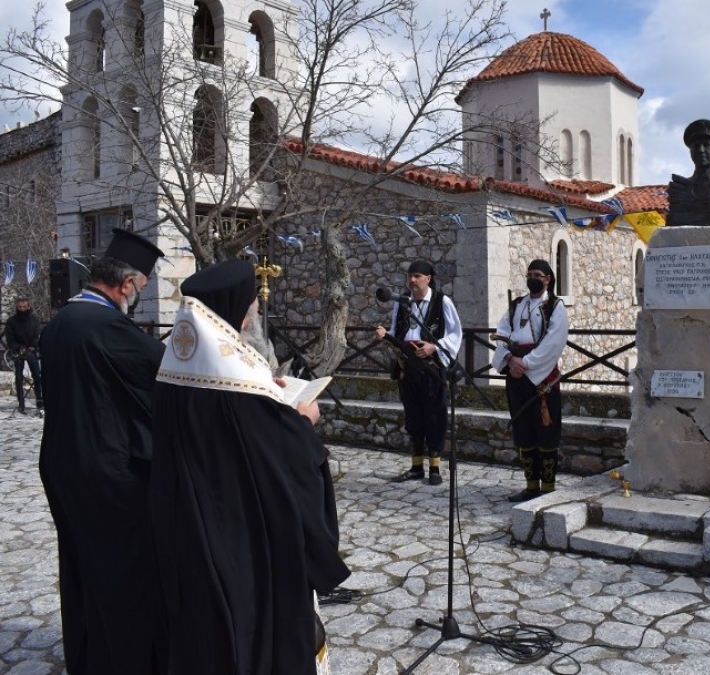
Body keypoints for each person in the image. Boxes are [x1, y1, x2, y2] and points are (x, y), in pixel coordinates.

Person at [151, 259, 351, 675]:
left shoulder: (175, 370)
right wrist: (302, 420)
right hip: (245, 531)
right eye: (251, 305)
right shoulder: (240, 387)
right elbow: (283, 458)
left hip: (187, 522)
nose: (255, 312)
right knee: (253, 624)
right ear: (234, 310)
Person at [38, 228, 166, 674]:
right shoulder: (108, 325)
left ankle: (90, 657)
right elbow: (165, 372)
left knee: (82, 568)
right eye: (141, 288)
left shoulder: (59, 322)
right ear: (126, 283)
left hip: (62, 464)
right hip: (108, 473)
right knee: (122, 573)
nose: (138, 297)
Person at [375, 260, 462, 486]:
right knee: (413, 416)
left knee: (434, 416)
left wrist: (434, 347)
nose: (412, 280)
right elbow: (397, 331)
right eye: (410, 276)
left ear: (428, 278)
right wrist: (386, 335)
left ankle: (434, 467)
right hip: (408, 368)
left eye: (417, 276)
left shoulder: (442, 302)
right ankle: (416, 466)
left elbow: (455, 333)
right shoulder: (402, 302)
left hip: (432, 369)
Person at [491, 259, 569, 502]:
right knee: (523, 429)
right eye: (529, 274)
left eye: (537, 274)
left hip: (542, 376)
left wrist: (527, 363)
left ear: (548, 279)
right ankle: (531, 486)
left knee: (545, 430)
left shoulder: (555, 306)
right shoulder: (516, 306)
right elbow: (501, 334)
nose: (532, 278)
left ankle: (547, 488)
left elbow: (555, 341)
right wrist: (509, 359)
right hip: (516, 374)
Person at [4, 296, 44, 414]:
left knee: (36, 375)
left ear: (28, 306)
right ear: (17, 307)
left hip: (31, 350)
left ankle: (39, 401)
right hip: (18, 351)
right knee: (19, 377)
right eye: (20, 307)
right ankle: (21, 403)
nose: (22, 309)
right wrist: (20, 348)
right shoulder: (11, 321)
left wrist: (31, 348)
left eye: (24, 307)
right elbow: (10, 339)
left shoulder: (34, 319)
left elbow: (37, 335)